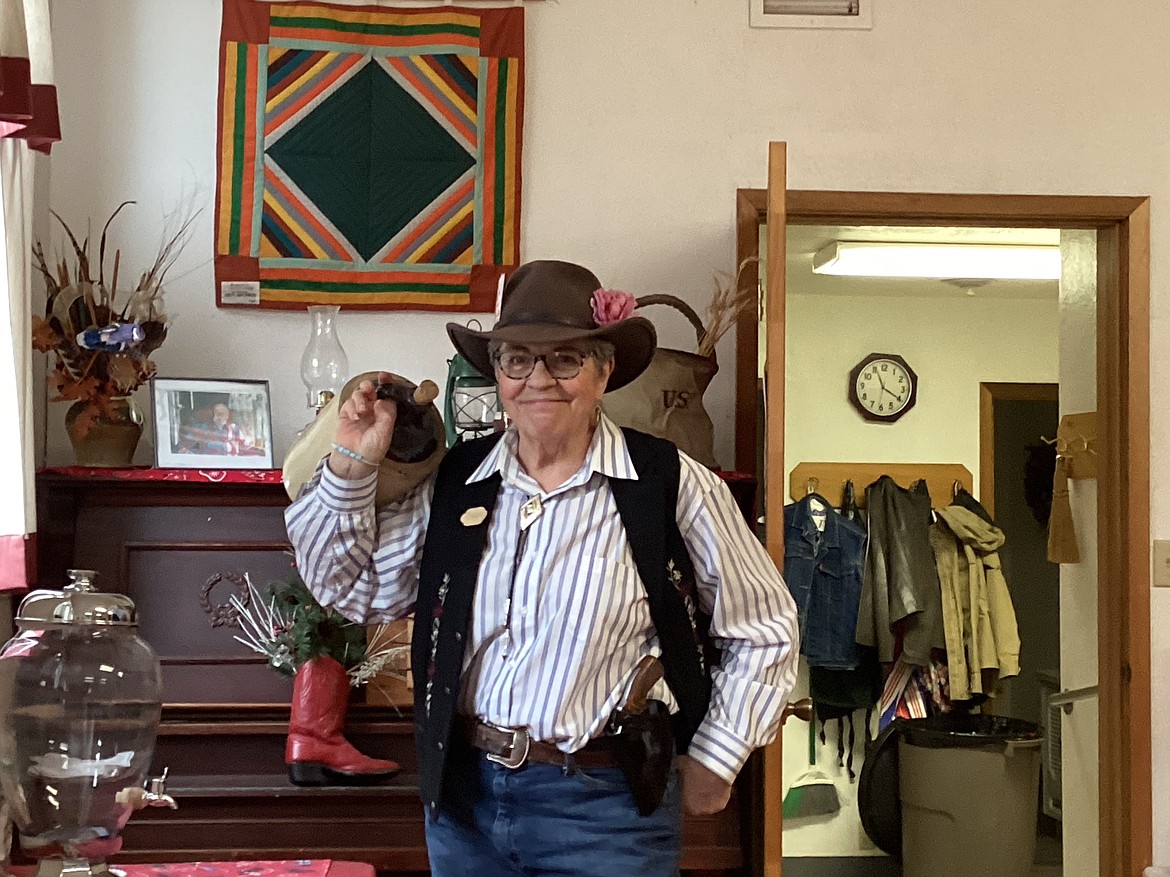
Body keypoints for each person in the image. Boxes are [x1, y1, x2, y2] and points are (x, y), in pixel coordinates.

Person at [285, 260, 799, 877]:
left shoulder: (667, 481)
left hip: (605, 808)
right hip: (464, 800)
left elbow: (764, 627)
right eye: (517, 360)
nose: (538, 380)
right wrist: (351, 463)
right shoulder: (458, 483)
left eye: (565, 360)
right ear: (497, 372)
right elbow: (353, 590)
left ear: (605, 370)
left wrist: (719, 756)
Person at [178, 402, 245, 455]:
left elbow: (245, 449)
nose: (220, 417)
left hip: (231, 467)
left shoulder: (235, 430)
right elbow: (182, 447)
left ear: (227, 416)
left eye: (223, 414)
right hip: (207, 466)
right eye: (217, 414)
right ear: (213, 415)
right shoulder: (202, 428)